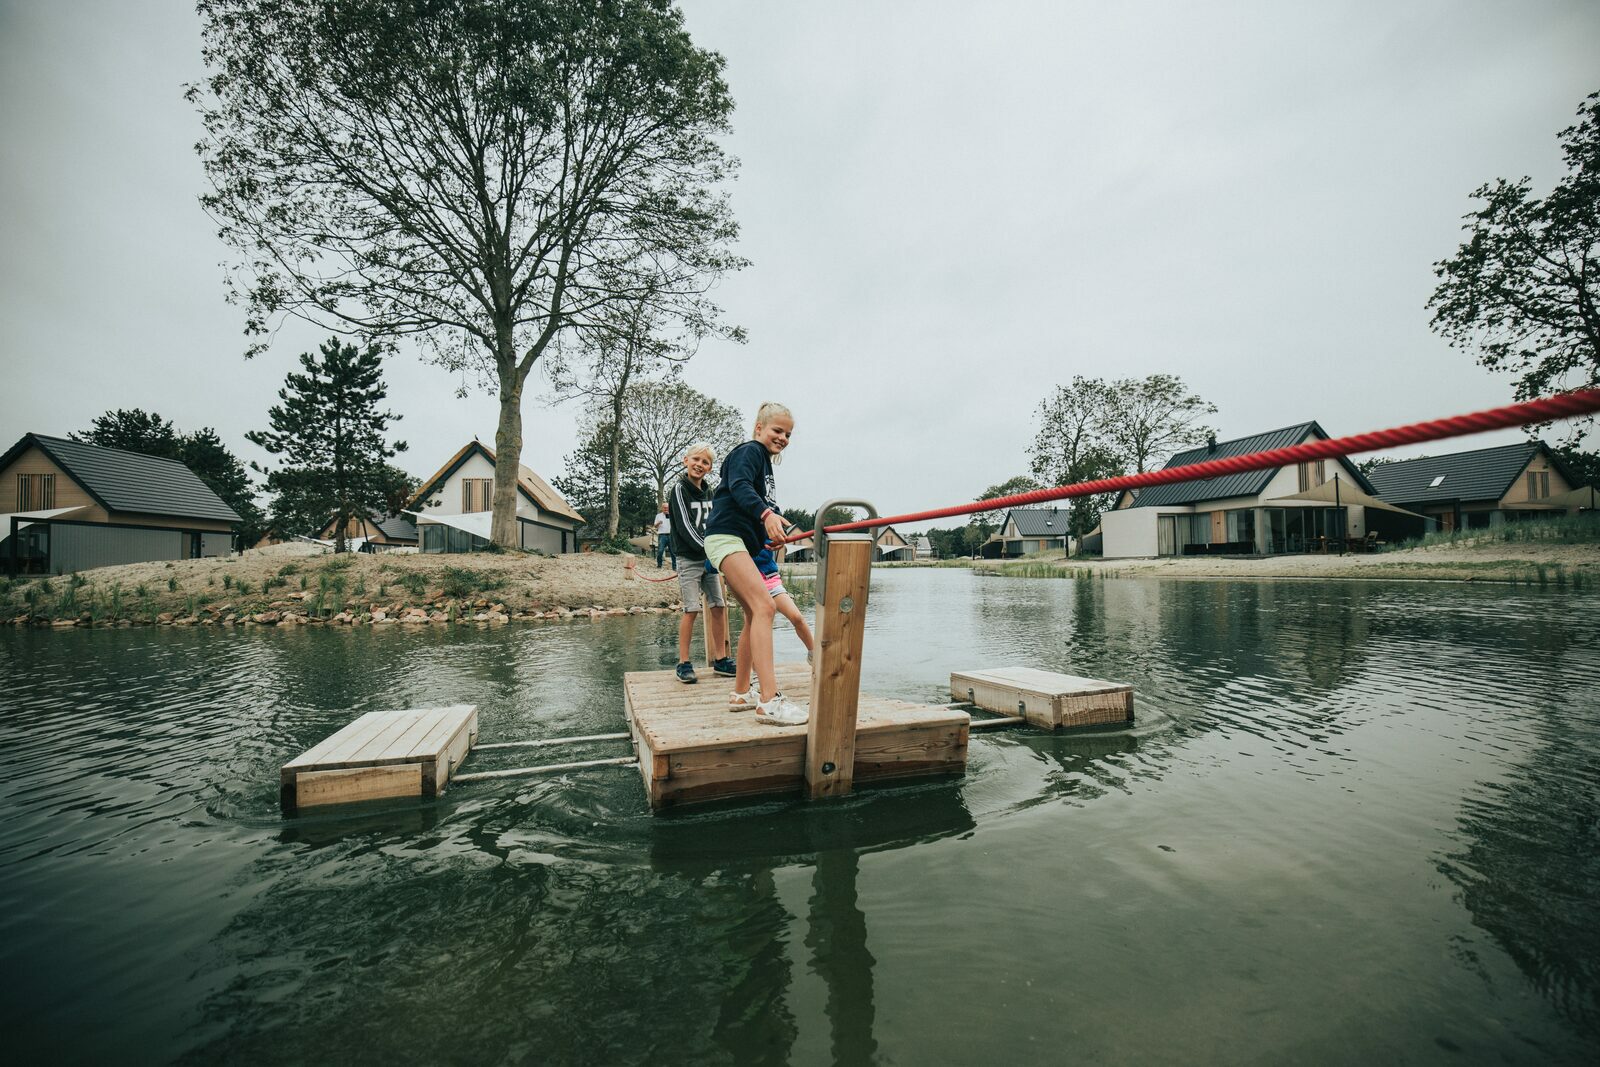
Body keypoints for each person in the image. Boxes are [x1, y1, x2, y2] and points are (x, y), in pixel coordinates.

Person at [702, 402, 807, 726]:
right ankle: (769, 700)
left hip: (740, 541)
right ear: (759, 428)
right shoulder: (750, 452)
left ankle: (740, 693)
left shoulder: (764, 464)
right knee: (765, 607)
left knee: (752, 614)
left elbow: (753, 502)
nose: (783, 437)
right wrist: (765, 514)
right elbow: (739, 488)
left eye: (788, 433)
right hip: (725, 538)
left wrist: (770, 526)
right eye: (777, 430)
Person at [669, 443, 734, 683]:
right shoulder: (678, 490)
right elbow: (686, 527)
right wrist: (709, 550)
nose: (699, 464)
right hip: (689, 558)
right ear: (686, 460)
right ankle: (684, 662)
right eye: (696, 459)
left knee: (718, 606)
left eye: (705, 462)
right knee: (691, 609)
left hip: (711, 559)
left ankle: (721, 659)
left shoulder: (710, 493)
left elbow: (717, 521)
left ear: (710, 468)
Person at [752, 546, 814, 663]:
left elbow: (765, 555)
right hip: (751, 585)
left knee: (797, 618)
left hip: (771, 581)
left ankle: (813, 654)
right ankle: (756, 674)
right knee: (754, 630)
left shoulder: (764, 531)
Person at [653, 502, 675, 569]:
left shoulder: (672, 515)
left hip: (671, 535)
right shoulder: (658, 516)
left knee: (673, 552)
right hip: (662, 535)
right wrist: (659, 523)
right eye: (664, 507)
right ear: (662, 508)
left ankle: (675, 567)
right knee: (660, 551)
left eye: (667, 507)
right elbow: (655, 526)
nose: (666, 509)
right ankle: (659, 565)